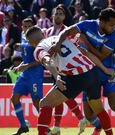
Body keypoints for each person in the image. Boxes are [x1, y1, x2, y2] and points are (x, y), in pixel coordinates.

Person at [53, 8, 115, 135]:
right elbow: (67, 31)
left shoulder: (114, 36)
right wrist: (58, 43)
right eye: (111, 25)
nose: (114, 28)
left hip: (107, 73)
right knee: (89, 116)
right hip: (89, 74)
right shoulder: (87, 25)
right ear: (101, 22)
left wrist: (86, 43)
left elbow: (101, 56)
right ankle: (99, 127)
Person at [25, 26, 115, 135]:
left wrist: (56, 76)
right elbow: (85, 51)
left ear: (30, 43)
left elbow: (48, 61)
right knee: (99, 110)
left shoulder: (39, 49)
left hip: (76, 76)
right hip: (92, 71)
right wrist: (105, 69)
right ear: (43, 34)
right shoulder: (59, 37)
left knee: (44, 104)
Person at [45, 6, 88, 135]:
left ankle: (58, 126)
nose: (58, 16)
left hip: (66, 68)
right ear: (52, 16)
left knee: (61, 95)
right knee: (62, 95)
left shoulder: (68, 31)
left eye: (60, 14)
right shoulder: (48, 32)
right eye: (56, 13)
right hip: (54, 67)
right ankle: (80, 119)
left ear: (64, 17)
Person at [10, 18, 44, 135]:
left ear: (33, 27)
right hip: (25, 74)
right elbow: (26, 58)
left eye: (28, 26)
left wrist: (26, 66)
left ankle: (45, 128)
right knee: (14, 98)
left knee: (36, 102)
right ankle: (23, 126)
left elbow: (41, 60)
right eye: (24, 26)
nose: (25, 29)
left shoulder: (37, 40)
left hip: (35, 74)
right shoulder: (23, 37)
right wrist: (19, 66)